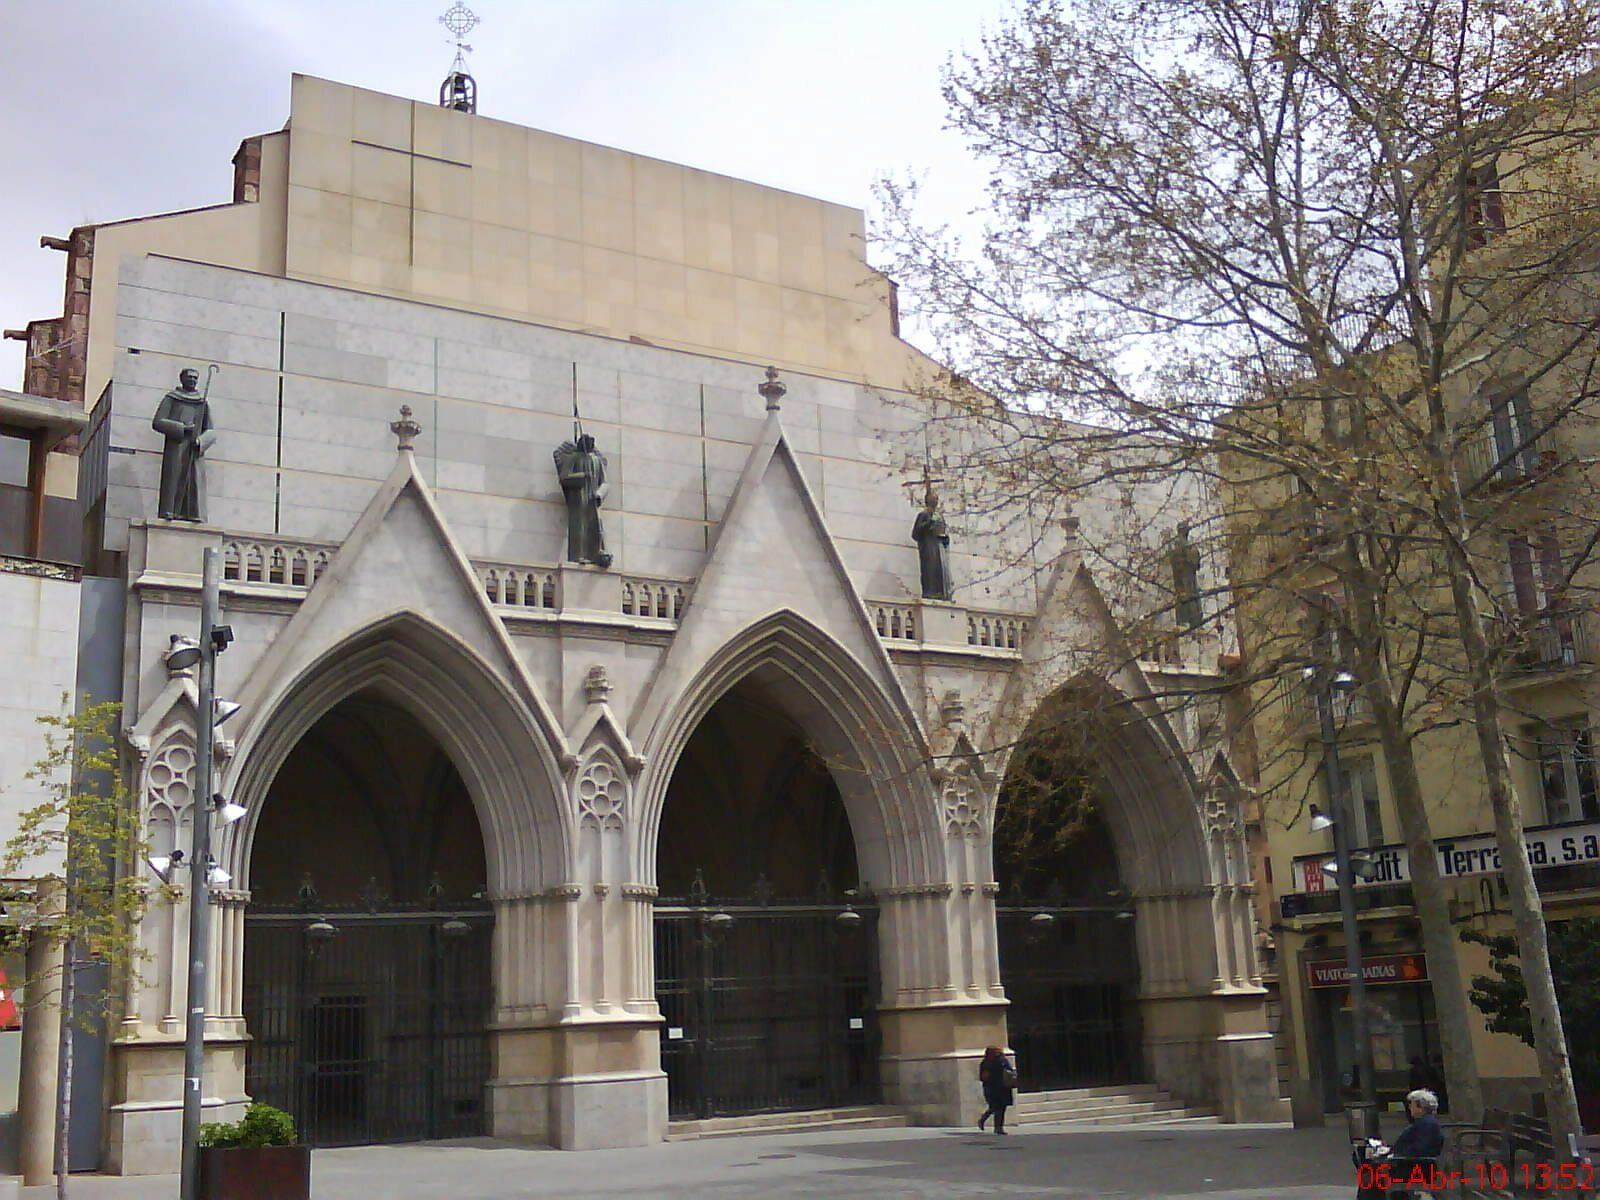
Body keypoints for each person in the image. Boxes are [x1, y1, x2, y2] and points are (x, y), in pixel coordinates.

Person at [151, 367, 214, 521]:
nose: (192, 380)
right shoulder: (172, 398)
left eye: (195, 378)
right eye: (189, 377)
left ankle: (192, 513)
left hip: (194, 449)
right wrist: (181, 428)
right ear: (182, 379)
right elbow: (158, 422)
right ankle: (170, 510)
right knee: (174, 478)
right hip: (176, 446)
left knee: (192, 481)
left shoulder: (202, 403)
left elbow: (211, 431)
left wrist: (200, 441)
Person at [553, 433, 613, 567]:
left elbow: (605, 483)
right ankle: (578, 555)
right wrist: (581, 476)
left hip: (593, 499)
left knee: (596, 527)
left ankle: (598, 553)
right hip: (578, 498)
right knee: (579, 527)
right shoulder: (573, 459)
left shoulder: (597, 461)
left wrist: (599, 494)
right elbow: (564, 478)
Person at [977, 1045, 1015, 1135]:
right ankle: (998, 1127)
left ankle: (986, 1121)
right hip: (1000, 1087)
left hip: (992, 1087)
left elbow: (982, 1077)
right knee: (999, 1108)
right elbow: (1009, 1070)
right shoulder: (1001, 1060)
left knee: (995, 1107)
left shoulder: (986, 1062)